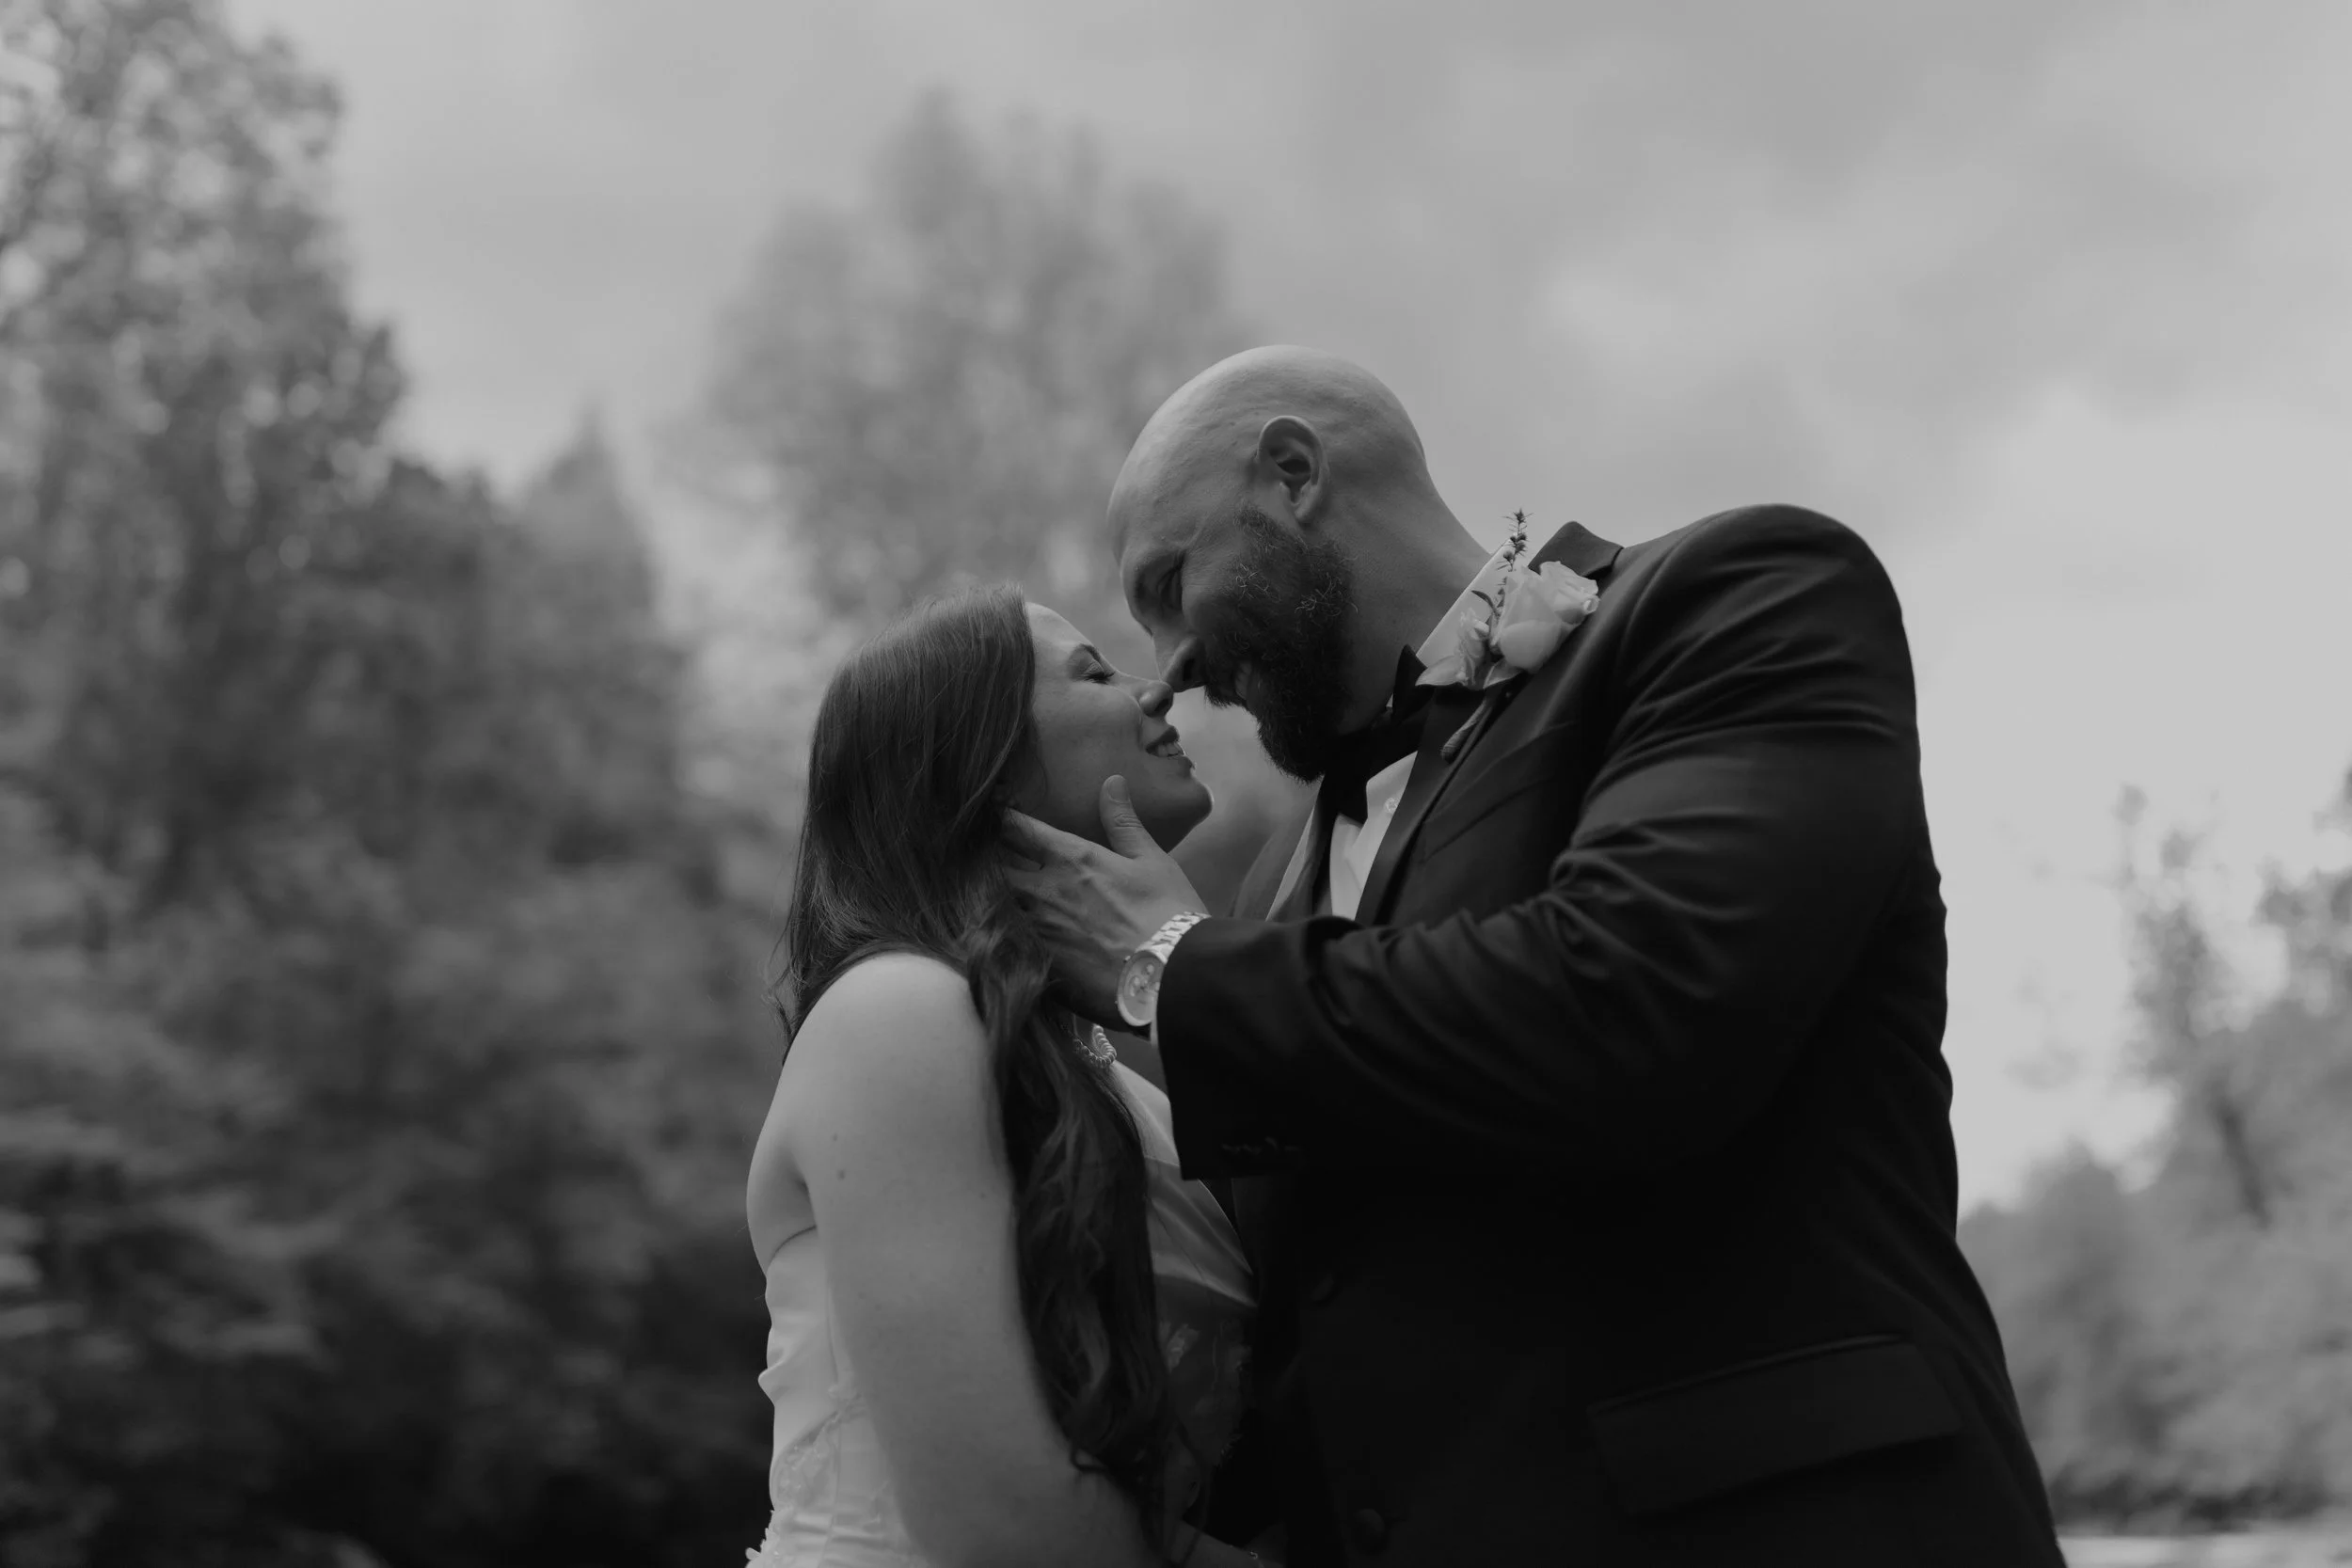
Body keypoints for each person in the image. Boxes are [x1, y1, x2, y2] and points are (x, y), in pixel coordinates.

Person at [1005, 345, 2068, 1566]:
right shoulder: (1272, 881)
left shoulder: (1733, 601)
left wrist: (1169, 965)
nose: (1172, 667)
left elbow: (1634, 1005)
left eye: (1168, 581)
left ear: (1293, 473)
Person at [743, 586, 1268, 1567]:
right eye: (1096, 673)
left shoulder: (1116, 1074)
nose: (1159, 692)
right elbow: (1006, 1526)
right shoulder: (893, 1013)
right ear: (977, 762)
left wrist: (1186, 959)